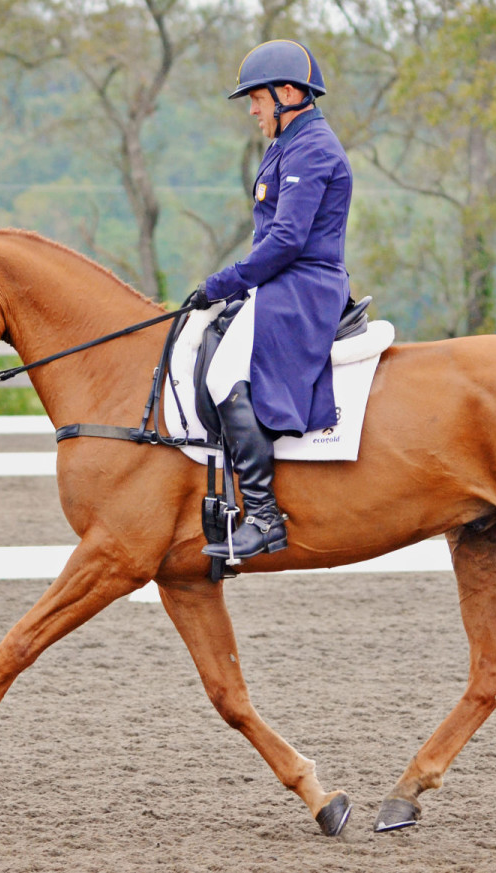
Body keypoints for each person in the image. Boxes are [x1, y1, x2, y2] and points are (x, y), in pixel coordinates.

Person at [187, 39, 354, 563]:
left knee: (222, 375)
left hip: (303, 287)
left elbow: (285, 240)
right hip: (282, 282)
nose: (253, 111)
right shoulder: (288, 144)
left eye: (257, 100)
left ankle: (262, 514)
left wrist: (222, 283)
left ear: (287, 93)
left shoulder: (313, 148)